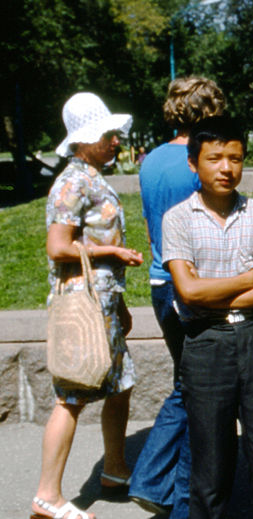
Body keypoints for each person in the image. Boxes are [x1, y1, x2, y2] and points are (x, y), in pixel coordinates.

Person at [161, 116, 253, 519]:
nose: (226, 168)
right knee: (211, 466)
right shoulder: (178, 219)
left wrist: (218, 292)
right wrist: (251, 276)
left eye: (235, 158)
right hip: (204, 344)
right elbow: (189, 291)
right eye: (214, 158)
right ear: (193, 163)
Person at [32, 92, 143, 519]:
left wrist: (120, 303)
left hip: (104, 303)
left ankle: (114, 470)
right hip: (84, 308)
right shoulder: (74, 181)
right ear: (84, 139)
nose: (116, 141)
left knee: (121, 384)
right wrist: (111, 254)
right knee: (72, 397)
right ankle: (47, 495)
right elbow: (58, 246)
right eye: (108, 135)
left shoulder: (91, 176)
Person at [130, 76, 226, 518]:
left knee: (187, 383)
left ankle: (150, 479)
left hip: (158, 280)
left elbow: (152, 226)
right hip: (192, 283)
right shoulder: (197, 161)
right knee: (201, 390)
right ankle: (183, 496)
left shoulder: (150, 161)